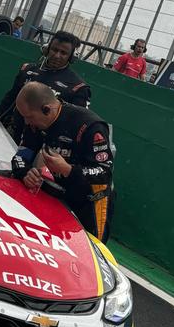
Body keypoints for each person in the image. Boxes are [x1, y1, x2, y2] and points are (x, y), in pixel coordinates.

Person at [12, 82, 114, 242]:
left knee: (88, 252)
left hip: (92, 201)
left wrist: (68, 169)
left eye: (29, 117)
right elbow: (20, 157)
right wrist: (25, 173)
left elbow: (104, 174)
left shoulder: (90, 126)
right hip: (62, 195)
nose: (26, 122)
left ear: (47, 109)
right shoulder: (36, 124)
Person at [0, 30, 91, 140]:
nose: (57, 55)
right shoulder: (27, 70)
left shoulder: (78, 87)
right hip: (12, 134)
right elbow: (9, 99)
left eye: (63, 53)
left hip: (44, 143)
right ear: (47, 49)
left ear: (71, 57)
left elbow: (77, 123)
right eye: (54, 50)